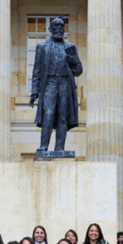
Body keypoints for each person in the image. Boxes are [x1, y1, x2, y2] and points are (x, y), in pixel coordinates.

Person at [29, 16, 82, 155]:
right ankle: (44, 146)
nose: (59, 28)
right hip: (50, 83)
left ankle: (59, 148)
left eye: (61, 26)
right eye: (56, 26)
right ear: (50, 29)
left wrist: (73, 62)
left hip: (65, 83)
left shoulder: (70, 47)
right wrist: (34, 92)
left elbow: (78, 71)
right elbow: (36, 71)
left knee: (63, 116)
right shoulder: (42, 47)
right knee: (49, 113)